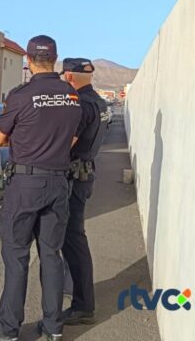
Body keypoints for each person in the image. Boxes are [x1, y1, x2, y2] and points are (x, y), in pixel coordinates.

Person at [0, 35, 81, 341]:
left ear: (29, 60)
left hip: (25, 184)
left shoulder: (21, 95)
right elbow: (74, 138)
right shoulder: (71, 96)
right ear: (56, 59)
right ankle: (53, 328)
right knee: (51, 255)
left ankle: (8, 330)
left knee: (17, 254)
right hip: (59, 181)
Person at [59, 58, 112, 326]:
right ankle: (80, 297)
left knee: (73, 239)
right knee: (75, 237)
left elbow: (67, 143)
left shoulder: (80, 104)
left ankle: (82, 305)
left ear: (68, 77)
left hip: (74, 177)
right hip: (85, 173)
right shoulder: (99, 102)